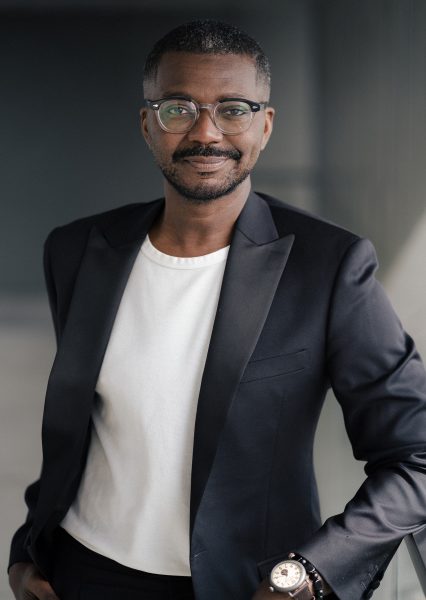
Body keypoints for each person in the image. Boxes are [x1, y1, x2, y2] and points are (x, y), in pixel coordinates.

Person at [7, 19, 426, 600]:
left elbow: (415, 452)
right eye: (178, 108)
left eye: (233, 108)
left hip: (244, 586)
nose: (206, 132)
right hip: (82, 573)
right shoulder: (79, 250)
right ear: (148, 124)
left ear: (265, 125)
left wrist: (308, 572)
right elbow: (78, 429)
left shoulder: (330, 266)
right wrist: (27, 550)